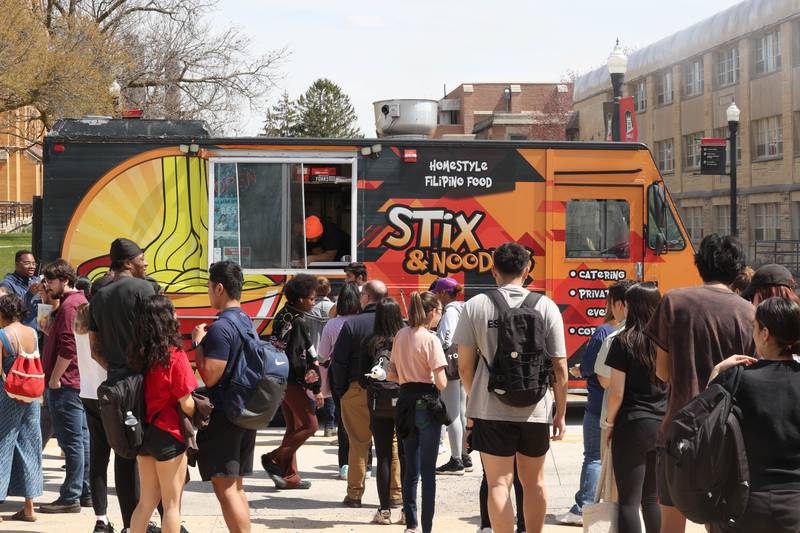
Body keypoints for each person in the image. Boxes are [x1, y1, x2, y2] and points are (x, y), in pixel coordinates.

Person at [455, 242, 568, 533]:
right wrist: (561, 412)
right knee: (535, 482)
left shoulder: (476, 305)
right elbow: (560, 367)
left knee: (498, 482)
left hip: (491, 410)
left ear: (493, 270)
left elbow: (465, 366)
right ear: (527, 269)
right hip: (535, 408)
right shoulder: (546, 306)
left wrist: (475, 397)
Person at [645, 234, 755, 533]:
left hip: (678, 429)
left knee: (671, 525)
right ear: (738, 270)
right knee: (719, 521)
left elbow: (662, 373)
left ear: (700, 265)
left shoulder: (674, 301)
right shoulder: (749, 314)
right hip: (726, 435)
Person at [707, 297, 800, 533]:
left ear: (766, 333)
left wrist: (717, 371)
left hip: (747, 503)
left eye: (754, 328)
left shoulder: (739, 379)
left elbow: (706, 423)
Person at [88, 238, 157, 532]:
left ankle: (132, 524)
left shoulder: (99, 296)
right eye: (142, 257)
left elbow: (94, 349)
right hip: (147, 381)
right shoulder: (146, 289)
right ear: (128, 262)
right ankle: (169, 520)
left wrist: (118, 369)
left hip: (115, 383)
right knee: (159, 453)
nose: (145, 262)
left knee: (124, 452)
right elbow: (160, 336)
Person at [192, 261, 255, 533]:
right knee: (236, 486)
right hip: (245, 410)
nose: (208, 292)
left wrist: (197, 344)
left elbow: (211, 376)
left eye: (209, 286)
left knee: (226, 487)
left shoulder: (221, 328)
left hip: (226, 416)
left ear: (219, 287)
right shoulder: (245, 321)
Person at [129, 296, 197, 533]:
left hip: (143, 433)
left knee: (146, 502)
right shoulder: (174, 356)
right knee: (172, 504)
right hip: (168, 433)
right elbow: (186, 403)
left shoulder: (137, 354)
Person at [332, 280, 402, 508]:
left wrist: (341, 391)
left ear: (366, 297)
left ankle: (354, 494)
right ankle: (395, 494)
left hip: (357, 388)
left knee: (358, 442)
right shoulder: (400, 327)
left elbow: (339, 362)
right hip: (392, 391)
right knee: (392, 443)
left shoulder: (353, 324)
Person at [555, 286, 622, 526]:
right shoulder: (638, 332)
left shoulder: (604, 332)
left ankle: (582, 507)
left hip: (598, 404)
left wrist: (577, 370)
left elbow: (589, 366)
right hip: (625, 406)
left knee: (593, 457)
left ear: (615, 303)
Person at [605, 283, 666, 533]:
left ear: (632, 307)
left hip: (631, 424)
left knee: (628, 502)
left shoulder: (623, 341)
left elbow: (616, 392)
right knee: (652, 498)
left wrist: (609, 424)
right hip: (661, 424)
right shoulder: (666, 342)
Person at [388, 291, 448, 533]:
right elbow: (442, 383)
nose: (440, 316)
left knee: (409, 469)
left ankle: (410, 524)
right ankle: (426, 527)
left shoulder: (400, 335)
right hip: (426, 402)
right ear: (431, 311)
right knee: (428, 472)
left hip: (404, 403)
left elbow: (391, 374)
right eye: (440, 312)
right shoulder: (431, 339)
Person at [39, 259, 91, 514]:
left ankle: (70, 495)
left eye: (50, 281)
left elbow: (69, 347)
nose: (47, 285)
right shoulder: (75, 302)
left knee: (72, 442)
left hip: (67, 383)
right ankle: (84, 491)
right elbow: (66, 340)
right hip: (75, 381)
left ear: (65, 280)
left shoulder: (70, 306)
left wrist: (54, 378)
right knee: (81, 439)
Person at [261, 274, 322, 490]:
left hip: (279, 378)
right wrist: (314, 388)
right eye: (311, 299)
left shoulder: (283, 314)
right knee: (310, 425)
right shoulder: (298, 321)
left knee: (294, 427)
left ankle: (289, 476)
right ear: (299, 299)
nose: (313, 302)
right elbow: (301, 358)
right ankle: (273, 458)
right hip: (293, 381)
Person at [0, 293, 43, 522]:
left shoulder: (3, 335)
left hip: (8, 395)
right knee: (29, 443)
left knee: (2, 445)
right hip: (31, 394)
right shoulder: (31, 332)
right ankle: (29, 507)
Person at [362, 297, 405, 525]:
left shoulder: (371, 342)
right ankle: (408, 511)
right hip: (403, 401)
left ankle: (384, 511)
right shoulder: (405, 338)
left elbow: (362, 376)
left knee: (384, 456)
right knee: (406, 455)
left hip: (379, 405)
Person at [75, 300, 115, 532]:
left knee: (99, 458)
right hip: (108, 393)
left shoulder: (80, 326)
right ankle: (132, 521)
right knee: (125, 457)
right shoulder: (100, 330)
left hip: (88, 392)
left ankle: (101, 518)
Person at [319, 282, 362, 476]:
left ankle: (344, 465)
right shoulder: (365, 321)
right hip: (363, 376)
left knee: (343, 420)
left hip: (339, 377)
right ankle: (365, 464)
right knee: (365, 420)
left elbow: (322, 355)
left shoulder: (332, 324)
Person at [430, 277, 470, 476]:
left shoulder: (450, 312)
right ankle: (464, 454)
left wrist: (432, 342)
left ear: (445, 293)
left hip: (451, 366)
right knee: (461, 412)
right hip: (463, 364)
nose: (436, 297)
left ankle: (456, 461)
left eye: (437, 293)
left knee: (452, 413)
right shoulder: (464, 308)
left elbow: (446, 339)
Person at [308, 277, 336, 436]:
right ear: (329, 290)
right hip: (329, 356)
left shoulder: (308, 308)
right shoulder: (334, 308)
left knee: (311, 389)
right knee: (329, 391)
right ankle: (330, 426)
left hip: (312, 355)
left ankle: (310, 424)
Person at [0, 250, 41, 330]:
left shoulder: (36, 281)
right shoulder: (7, 284)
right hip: (19, 334)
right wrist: (29, 295)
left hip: (40, 332)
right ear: (17, 265)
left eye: (33, 263)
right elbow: (9, 310)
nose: (32, 266)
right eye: (27, 263)